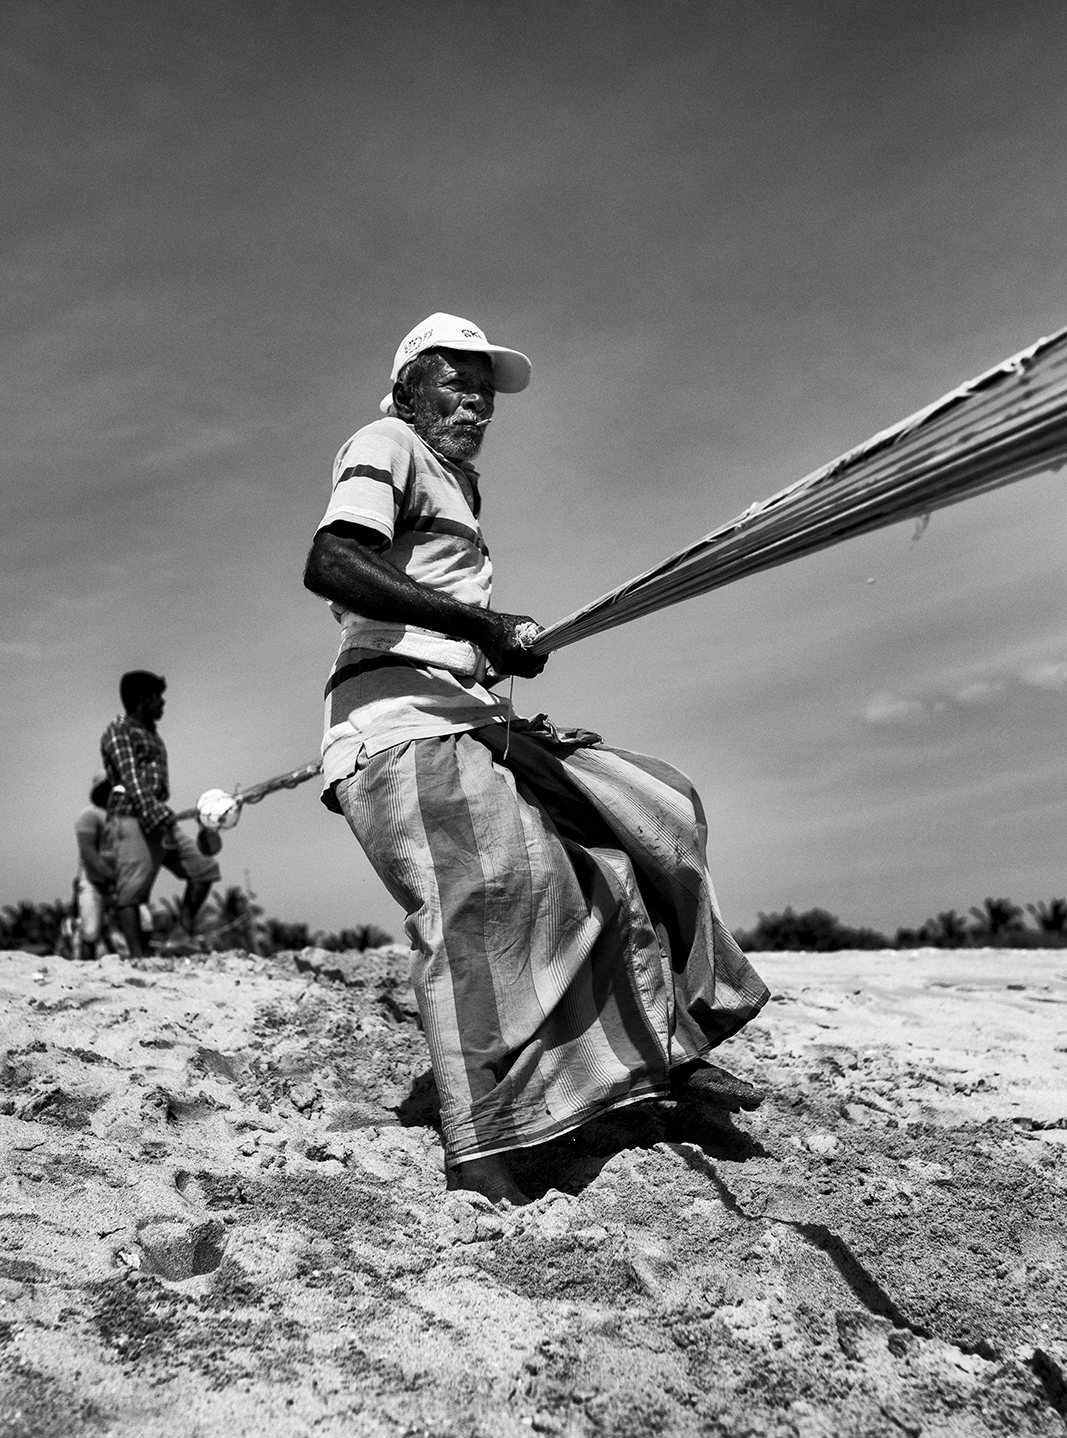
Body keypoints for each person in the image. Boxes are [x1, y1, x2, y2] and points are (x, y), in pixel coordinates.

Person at [303, 313, 770, 1204]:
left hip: (469, 714)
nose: (476, 400)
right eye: (456, 380)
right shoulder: (384, 443)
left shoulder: (455, 487)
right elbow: (332, 560)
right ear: (407, 387)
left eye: (485, 389)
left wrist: (486, 653)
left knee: (649, 820)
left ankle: (671, 1048)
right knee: (488, 904)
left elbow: (430, 599)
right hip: (403, 721)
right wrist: (482, 625)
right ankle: (484, 1156)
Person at [99, 671, 221, 958]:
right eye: (158, 697)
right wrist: (156, 814)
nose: (162, 703)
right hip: (130, 815)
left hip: (156, 814)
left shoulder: (152, 734)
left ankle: (181, 936)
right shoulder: (119, 731)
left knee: (203, 870)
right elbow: (131, 779)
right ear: (143, 699)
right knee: (132, 890)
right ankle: (137, 958)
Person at [72, 774, 116, 959]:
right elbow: (88, 854)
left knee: (144, 921)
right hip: (94, 881)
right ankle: (85, 967)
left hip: (117, 880)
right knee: (90, 931)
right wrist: (110, 877)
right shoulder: (90, 815)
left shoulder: (119, 816)